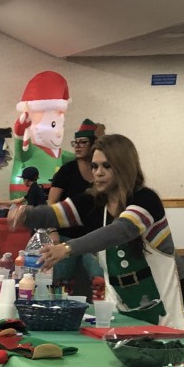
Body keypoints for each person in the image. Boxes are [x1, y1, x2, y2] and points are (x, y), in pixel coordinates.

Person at [14, 133, 184, 328]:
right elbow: (55, 213)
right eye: (94, 166)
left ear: (123, 167)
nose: (98, 173)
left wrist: (67, 247)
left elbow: (122, 230)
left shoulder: (146, 199)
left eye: (107, 166)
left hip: (165, 291)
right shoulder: (94, 202)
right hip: (121, 296)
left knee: (163, 341)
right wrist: (25, 214)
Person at [44, 119, 105, 296]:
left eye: (83, 142)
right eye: (75, 143)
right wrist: (52, 232)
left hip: (94, 237)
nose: (77, 146)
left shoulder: (102, 171)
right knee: (60, 283)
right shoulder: (67, 170)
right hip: (66, 236)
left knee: (100, 280)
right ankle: (58, 308)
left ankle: (102, 310)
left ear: (93, 145)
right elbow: (51, 203)